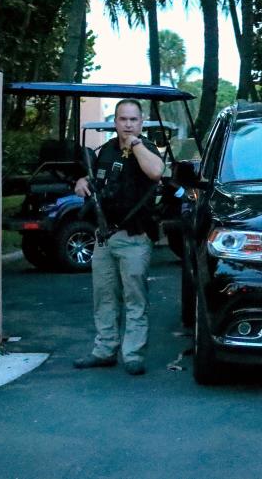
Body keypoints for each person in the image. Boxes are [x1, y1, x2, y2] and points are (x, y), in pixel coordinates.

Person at [73, 99, 165, 375]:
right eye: (122, 119)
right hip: (104, 237)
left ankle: (133, 354)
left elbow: (156, 172)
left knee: (135, 298)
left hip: (134, 237)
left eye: (133, 120)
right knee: (104, 297)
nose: (127, 124)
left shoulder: (145, 149)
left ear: (141, 122)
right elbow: (97, 180)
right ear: (114, 122)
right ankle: (104, 350)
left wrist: (135, 144)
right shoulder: (106, 151)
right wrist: (81, 182)